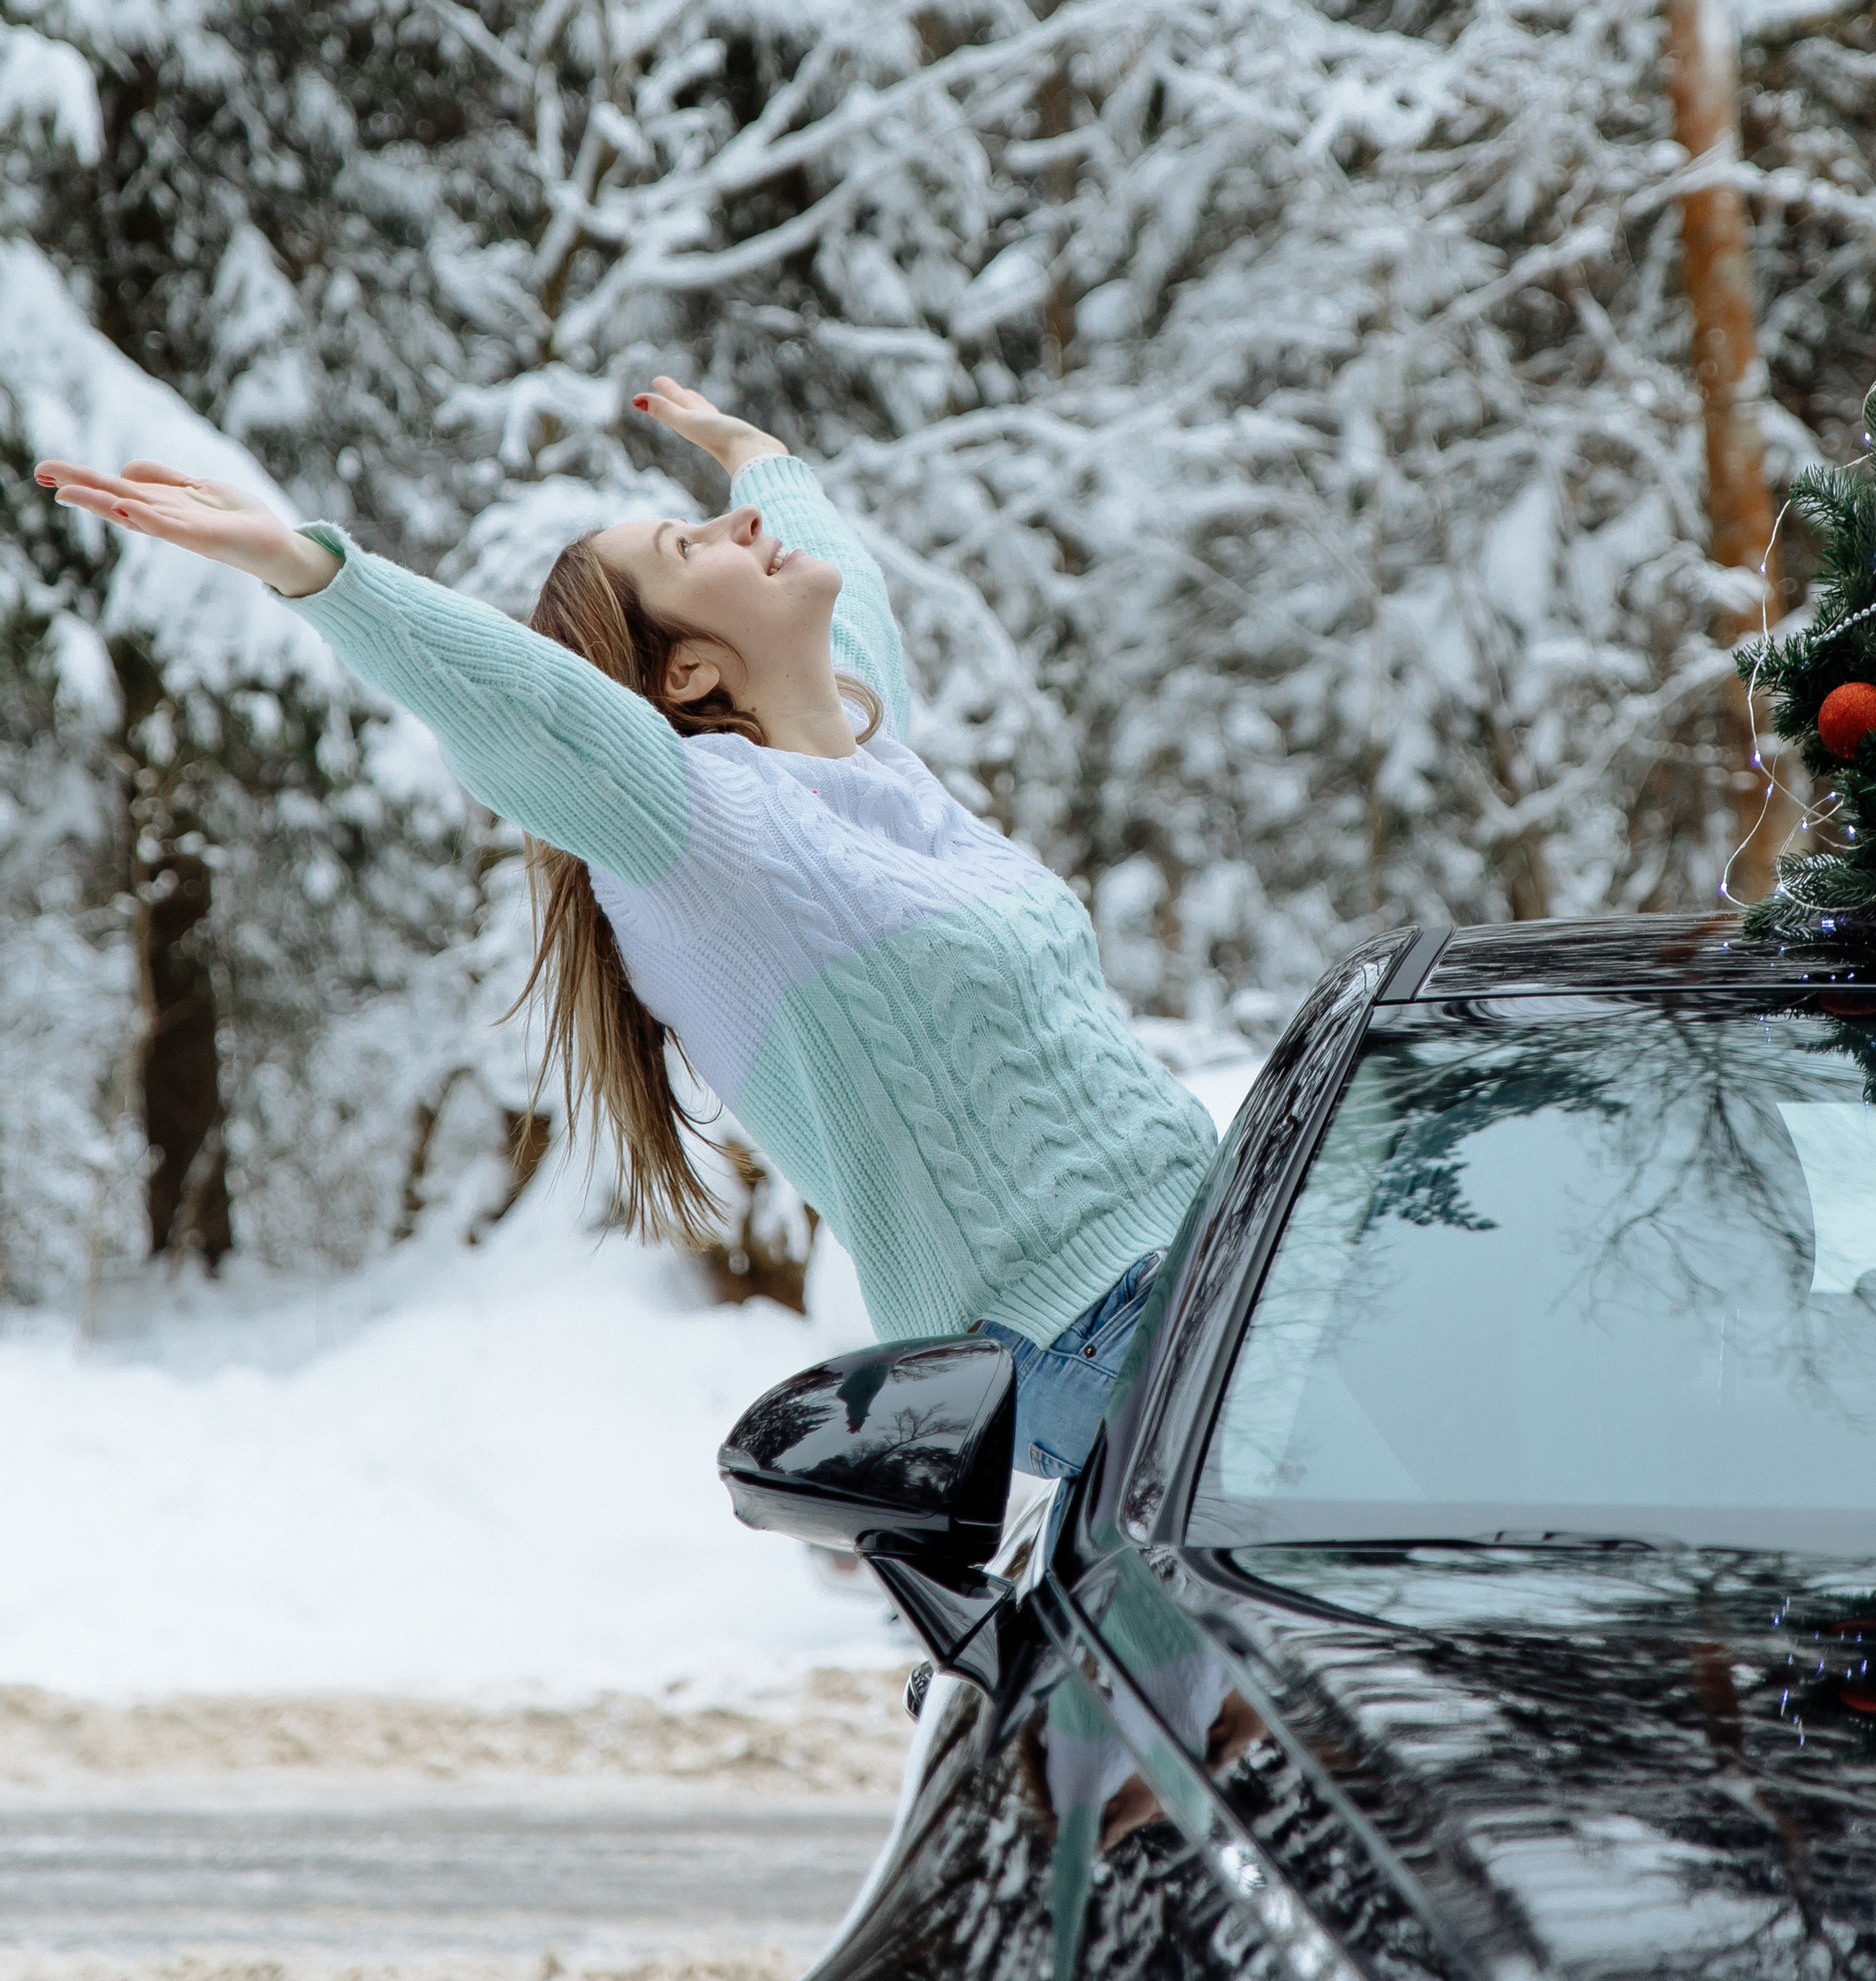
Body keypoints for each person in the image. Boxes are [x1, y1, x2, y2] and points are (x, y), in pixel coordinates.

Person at [35, 378, 1216, 1482]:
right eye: (690, 548)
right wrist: (314, 572)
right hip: (1089, 1337)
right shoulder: (709, 842)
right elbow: (528, 708)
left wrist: (758, 459)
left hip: (1219, 1242)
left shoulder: (874, 764)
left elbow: (841, 571)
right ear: (688, 673)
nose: (737, 529)